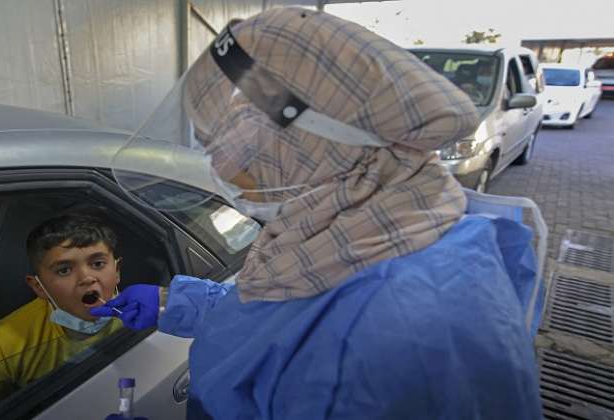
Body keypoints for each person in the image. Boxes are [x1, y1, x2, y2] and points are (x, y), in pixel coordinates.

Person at [97, 7, 543, 419]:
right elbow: (289, 326)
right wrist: (177, 304)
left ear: (308, 150)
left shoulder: (400, 343)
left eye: (228, 145)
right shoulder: (367, 229)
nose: (219, 167)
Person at [0, 214, 124, 411]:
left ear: (117, 271)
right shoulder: (3, 342)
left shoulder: (141, 310)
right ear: (39, 286)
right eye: (64, 270)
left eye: (98, 264)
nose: (87, 278)